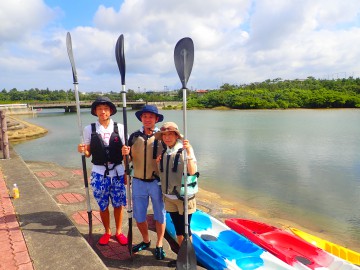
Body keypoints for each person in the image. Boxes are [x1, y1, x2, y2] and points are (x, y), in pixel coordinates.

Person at [77, 96, 128, 246]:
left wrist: (127, 157)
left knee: (118, 204)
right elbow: (88, 153)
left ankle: (118, 231)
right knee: (103, 205)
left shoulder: (120, 127)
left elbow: (127, 154)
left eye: (105, 108)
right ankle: (107, 231)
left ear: (111, 111)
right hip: (99, 173)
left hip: (117, 171)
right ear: (95, 111)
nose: (103, 111)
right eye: (99, 109)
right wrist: (82, 150)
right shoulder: (89, 129)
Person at [121, 105, 166, 260]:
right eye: (145, 116)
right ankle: (146, 241)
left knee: (160, 215)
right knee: (139, 216)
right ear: (141, 118)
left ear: (156, 119)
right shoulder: (134, 136)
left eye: (151, 117)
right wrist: (125, 156)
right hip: (139, 182)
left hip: (157, 183)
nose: (147, 119)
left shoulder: (163, 137)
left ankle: (159, 243)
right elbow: (129, 160)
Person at [154, 122, 198, 256]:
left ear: (176, 136)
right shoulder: (164, 152)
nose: (167, 138)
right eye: (164, 135)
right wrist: (159, 162)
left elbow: (192, 171)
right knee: (178, 229)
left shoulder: (185, 150)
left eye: (170, 134)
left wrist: (189, 152)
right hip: (169, 198)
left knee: (186, 230)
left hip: (183, 198)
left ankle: (189, 257)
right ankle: (182, 255)